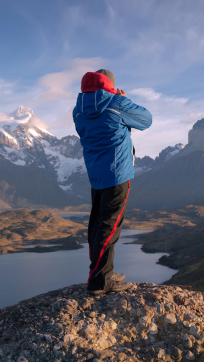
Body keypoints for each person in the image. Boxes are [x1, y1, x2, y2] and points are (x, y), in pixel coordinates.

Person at [73, 69, 152, 295]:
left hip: (96, 175)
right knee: (109, 227)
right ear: (110, 85)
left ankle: (101, 272)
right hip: (117, 175)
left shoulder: (78, 111)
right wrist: (125, 100)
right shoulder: (117, 103)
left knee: (98, 224)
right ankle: (100, 280)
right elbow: (146, 120)